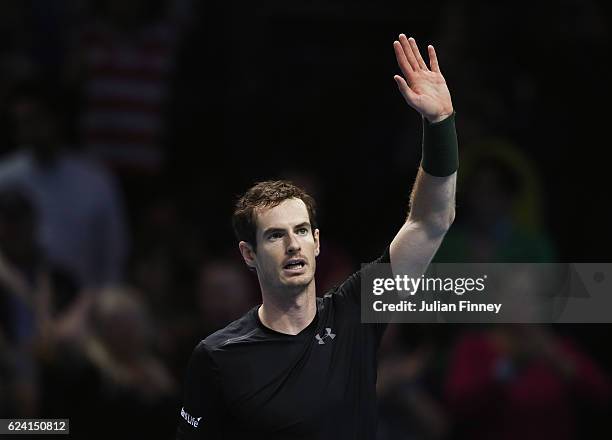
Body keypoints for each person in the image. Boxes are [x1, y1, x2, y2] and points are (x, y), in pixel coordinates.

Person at [176, 34, 458, 439]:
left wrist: (440, 124)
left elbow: (431, 221)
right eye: (275, 235)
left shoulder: (356, 314)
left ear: (317, 242)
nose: (293, 244)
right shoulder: (217, 357)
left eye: (301, 231)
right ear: (248, 254)